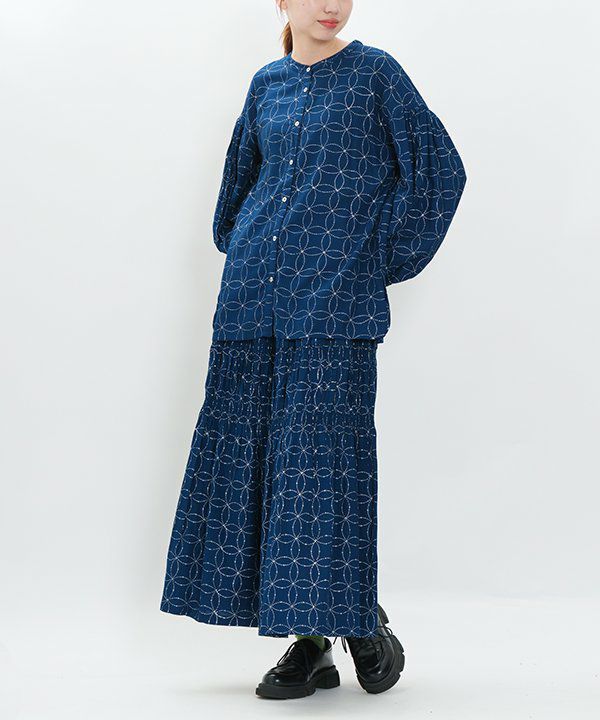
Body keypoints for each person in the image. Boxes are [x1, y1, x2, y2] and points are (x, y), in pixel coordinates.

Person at [160, 0, 467, 700]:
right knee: (260, 466)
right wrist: (251, 247)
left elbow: (440, 171)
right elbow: (235, 194)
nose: (331, 5)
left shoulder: (376, 75)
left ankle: (357, 618)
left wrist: (373, 257)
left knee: (322, 469)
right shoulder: (266, 83)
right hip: (252, 303)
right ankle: (313, 641)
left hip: (334, 305)